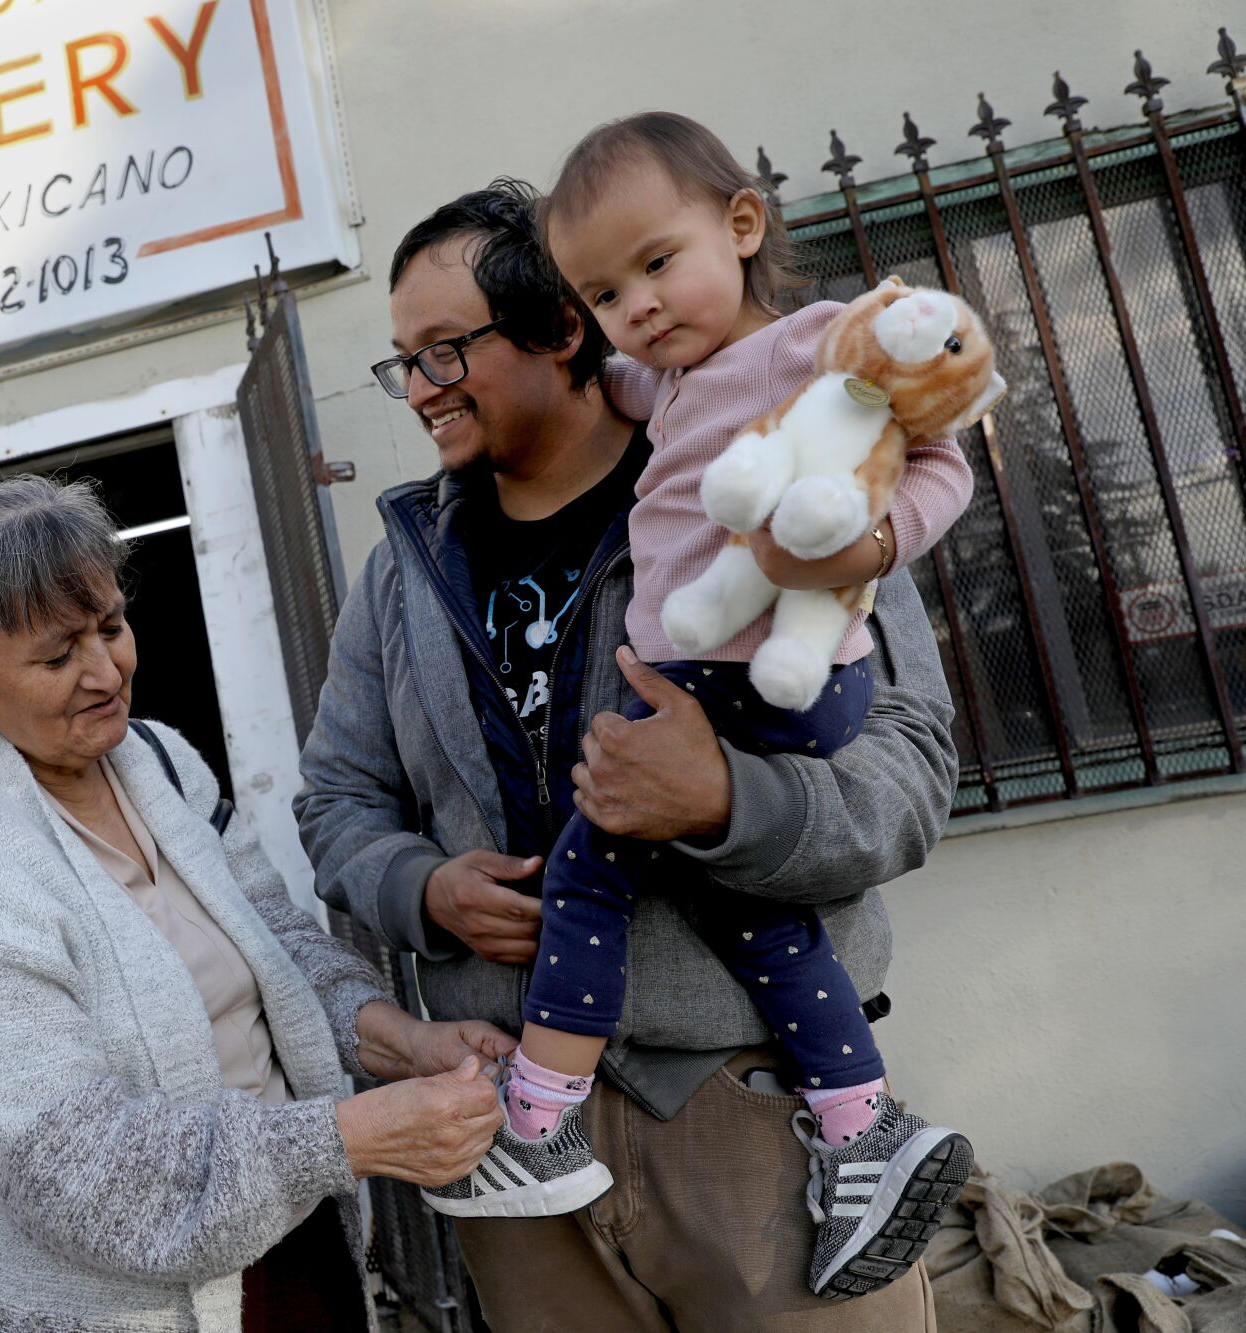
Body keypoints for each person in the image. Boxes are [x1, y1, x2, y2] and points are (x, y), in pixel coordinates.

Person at [296, 178, 960, 1329]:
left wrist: (725, 803)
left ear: (563, 331)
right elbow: (337, 803)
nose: (416, 390)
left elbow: (909, 769)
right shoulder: (400, 564)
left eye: (445, 351)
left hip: (754, 1109)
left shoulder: (766, 472)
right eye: (400, 360)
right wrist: (422, 889)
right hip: (510, 1135)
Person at [0, 475, 517, 1333]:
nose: (105, 672)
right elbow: (70, 1169)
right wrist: (349, 1137)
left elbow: (279, 953)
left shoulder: (159, 762)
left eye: (110, 627)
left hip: (293, 1252)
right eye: (58, 657)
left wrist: (401, 1041)